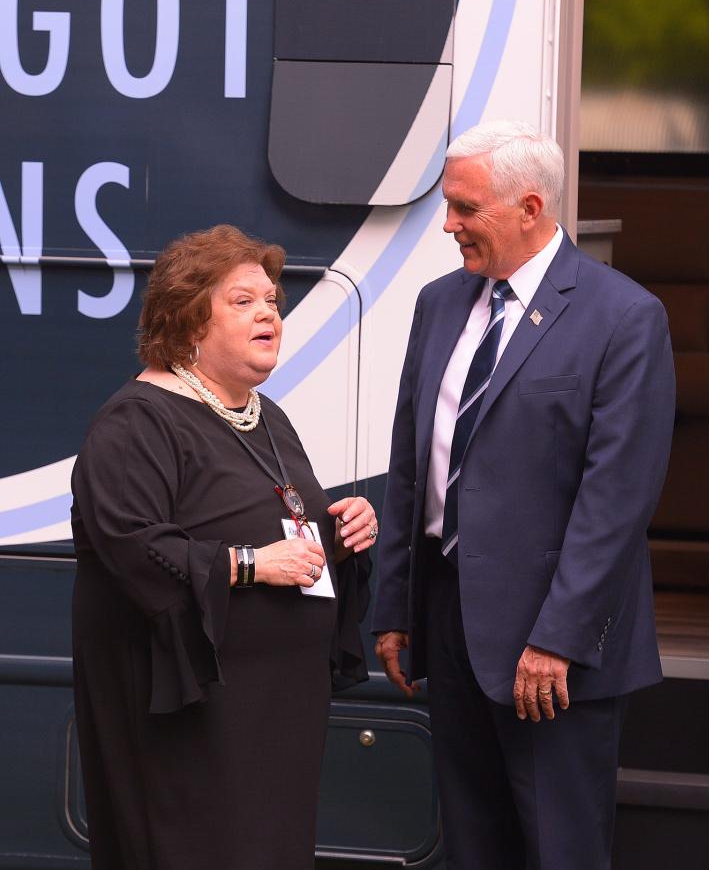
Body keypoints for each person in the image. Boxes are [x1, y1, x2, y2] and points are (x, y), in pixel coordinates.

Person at [371, 120, 675, 869]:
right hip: (449, 621)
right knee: (473, 848)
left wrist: (558, 639)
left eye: (466, 209)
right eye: (449, 206)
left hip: (554, 644)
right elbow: (411, 467)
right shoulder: (440, 304)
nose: (449, 226)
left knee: (559, 852)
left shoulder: (624, 316)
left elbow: (617, 500)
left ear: (531, 208)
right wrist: (393, 604)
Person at [70, 224, 378, 870]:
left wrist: (342, 535)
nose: (268, 311)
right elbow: (135, 547)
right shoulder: (137, 422)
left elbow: (289, 534)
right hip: (191, 730)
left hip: (275, 725)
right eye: (243, 301)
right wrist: (250, 567)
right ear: (186, 324)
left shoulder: (267, 417)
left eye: (271, 300)